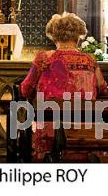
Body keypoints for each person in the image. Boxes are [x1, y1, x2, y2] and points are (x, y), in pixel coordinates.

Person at [20, 12, 108, 161]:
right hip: (86, 128)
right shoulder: (90, 61)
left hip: (51, 128)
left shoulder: (44, 59)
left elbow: (26, 89)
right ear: (78, 37)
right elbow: (103, 89)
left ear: (54, 36)